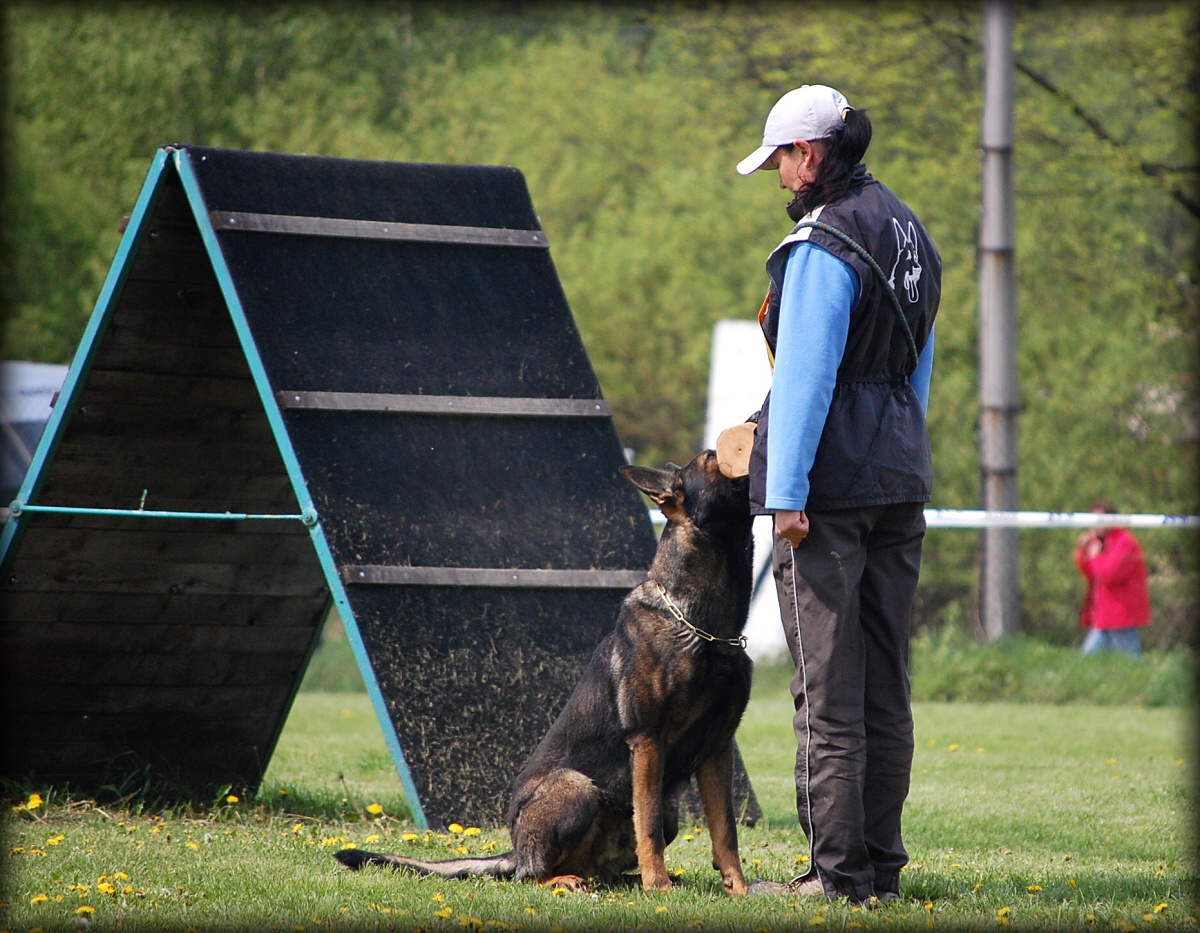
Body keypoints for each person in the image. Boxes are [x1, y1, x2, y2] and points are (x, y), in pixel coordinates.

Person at [735, 85, 940, 906]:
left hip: (830, 488)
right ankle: (882, 872)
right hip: (898, 473)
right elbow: (915, 369)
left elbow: (809, 379)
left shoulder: (824, 242)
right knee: (885, 680)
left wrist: (785, 492)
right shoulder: (908, 231)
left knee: (827, 686)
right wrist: (903, 455)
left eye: (782, 158)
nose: (779, 175)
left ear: (812, 153)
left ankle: (834, 875)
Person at [1075, 501, 1151, 657]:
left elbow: (1109, 574)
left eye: (1099, 520)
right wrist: (1084, 549)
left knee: (1130, 661)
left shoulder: (1124, 542)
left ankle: (1137, 680)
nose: (1095, 525)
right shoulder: (1100, 542)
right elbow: (1089, 572)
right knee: (1086, 660)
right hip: (1103, 615)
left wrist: (1095, 556)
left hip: (1121, 614)